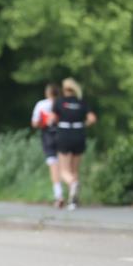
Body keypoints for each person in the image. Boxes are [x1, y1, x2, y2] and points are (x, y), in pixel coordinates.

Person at [51, 78, 96, 210]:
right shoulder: (81, 102)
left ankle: (73, 184)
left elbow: (52, 118)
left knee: (63, 170)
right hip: (79, 134)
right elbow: (92, 119)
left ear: (64, 89)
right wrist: (83, 125)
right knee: (74, 169)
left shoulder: (59, 102)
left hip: (64, 134)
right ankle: (73, 201)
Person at [31, 83, 64, 207]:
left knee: (53, 166)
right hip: (63, 135)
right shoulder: (62, 103)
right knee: (64, 166)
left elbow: (35, 123)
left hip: (48, 136)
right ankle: (71, 189)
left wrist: (43, 122)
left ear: (48, 93)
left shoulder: (41, 104)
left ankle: (58, 194)